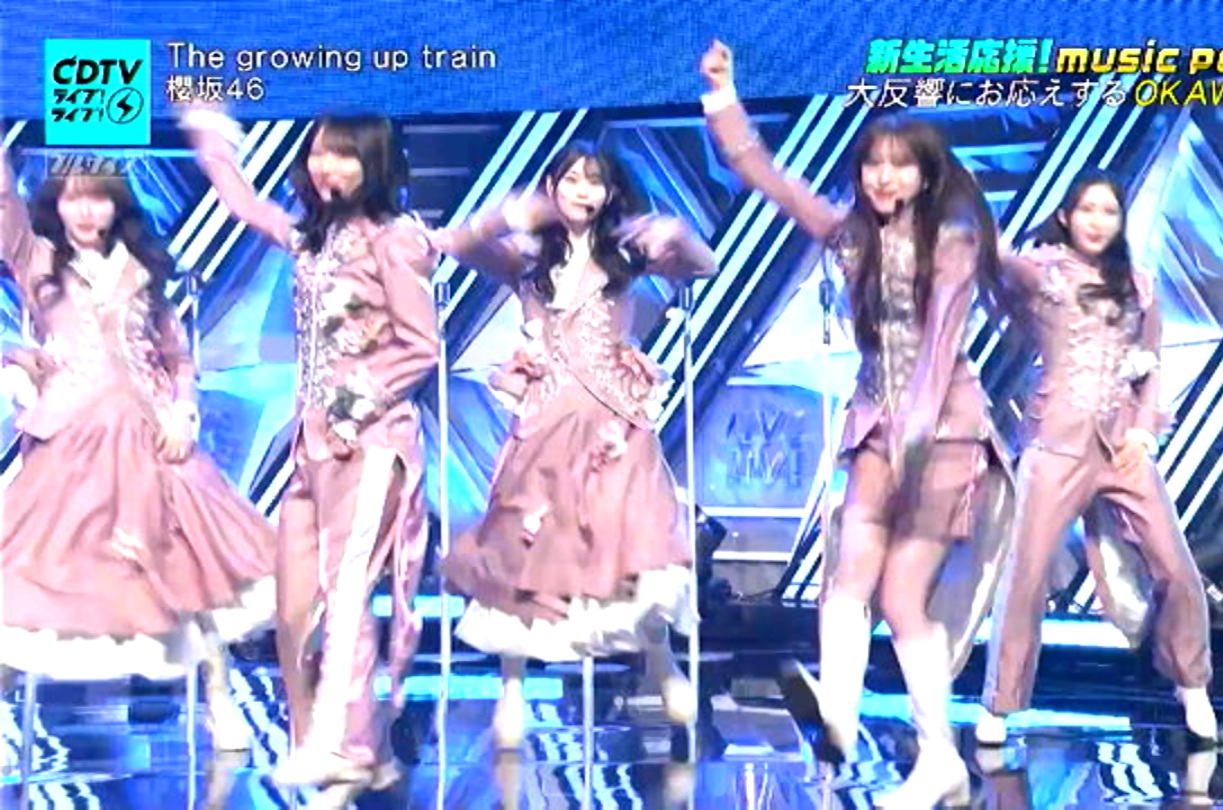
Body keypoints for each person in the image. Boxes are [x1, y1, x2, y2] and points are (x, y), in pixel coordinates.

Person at [700, 40, 1015, 806]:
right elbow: (766, 175)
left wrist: (912, 448)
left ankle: (938, 759)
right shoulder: (849, 237)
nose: (883, 176)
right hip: (874, 427)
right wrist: (722, 96)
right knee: (845, 582)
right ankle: (838, 716)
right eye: (873, 163)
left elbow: (936, 355)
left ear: (927, 175)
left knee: (902, 597)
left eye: (900, 165)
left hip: (942, 438)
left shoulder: (955, 243)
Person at [181, 105, 439, 795]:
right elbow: (246, 206)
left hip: (372, 445)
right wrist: (211, 141)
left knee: (345, 600)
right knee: (294, 611)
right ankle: (327, 750)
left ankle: (347, 755)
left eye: (345, 155)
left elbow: (422, 346)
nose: (328, 166)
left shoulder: (398, 240)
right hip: (311, 450)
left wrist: (354, 406)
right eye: (321, 152)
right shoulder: (311, 240)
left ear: (374, 164)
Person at [431, 141, 716, 749]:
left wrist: (674, 231)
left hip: (614, 428)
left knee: (625, 547)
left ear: (611, 193)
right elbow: (456, 242)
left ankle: (662, 664)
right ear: (552, 187)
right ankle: (511, 689)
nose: (582, 191)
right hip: (543, 424)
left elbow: (704, 266)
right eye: (570, 180)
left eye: (594, 181)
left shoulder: (627, 254)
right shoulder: (527, 259)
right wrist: (512, 213)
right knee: (523, 551)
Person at [0, 150, 275, 752]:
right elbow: (4, 207)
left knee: (190, 568)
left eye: (97, 197)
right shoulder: (38, 261)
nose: (85, 210)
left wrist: (183, 412)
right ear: (56, 204)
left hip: (151, 437)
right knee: (35, 577)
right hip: (70, 442)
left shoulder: (143, 271)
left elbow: (179, 360)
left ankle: (219, 700)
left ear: (116, 205)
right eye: (73, 196)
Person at [977, 170, 1217, 745]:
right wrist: (960, 198)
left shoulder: (1140, 284)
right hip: (1055, 445)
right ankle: (1000, 704)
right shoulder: (1044, 270)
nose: (1097, 221)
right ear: (1066, 216)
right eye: (1087, 209)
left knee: (1176, 567)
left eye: (1108, 211)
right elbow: (994, 256)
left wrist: (1143, 432)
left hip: (1123, 448)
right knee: (1025, 577)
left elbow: (1151, 364)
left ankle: (1192, 685)